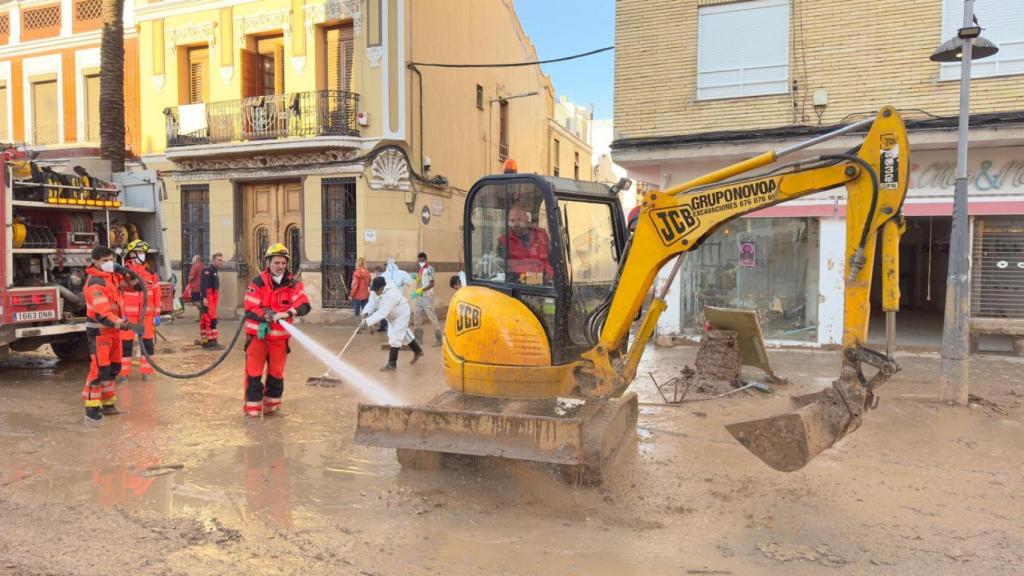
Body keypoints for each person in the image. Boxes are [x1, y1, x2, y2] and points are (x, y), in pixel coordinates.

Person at [242, 243, 311, 417]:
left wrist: (288, 312)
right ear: (268, 263)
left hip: (279, 342)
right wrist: (268, 315)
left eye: (283, 263)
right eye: (276, 263)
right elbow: (250, 308)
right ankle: (252, 414)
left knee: (276, 377)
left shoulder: (293, 284)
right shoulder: (257, 283)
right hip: (257, 338)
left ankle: (272, 411)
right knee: (254, 376)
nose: (280, 266)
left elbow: (304, 305)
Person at [82, 246, 141, 424]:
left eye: (111, 259)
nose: (109, 263)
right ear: (96, 262)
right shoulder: (95, 283)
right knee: (99, 370)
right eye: (105, 261)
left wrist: (127, 273)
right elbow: (102, 313)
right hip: (100, 332)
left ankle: (108, 405)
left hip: (114, 332)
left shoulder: (112, 278)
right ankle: (92, 410)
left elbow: (137, 288)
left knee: (113, 369)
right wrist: (126, 325)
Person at [119, 240, 162, 381]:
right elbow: (118, 294)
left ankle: (146, 373)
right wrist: (120, 314)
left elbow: (157, 294)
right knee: (125, 345)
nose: (143, 255)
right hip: (128, 316)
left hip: (147, 316)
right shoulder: (123, 273)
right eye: (140, 252)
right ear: (132, 254)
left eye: (144, 253)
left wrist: (157, 313)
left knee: (148, 344)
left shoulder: (150, 273)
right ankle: (124, 374)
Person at [361, 276, 423, 371]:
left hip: (401, 313)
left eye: (376, 290)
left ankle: (392, 363)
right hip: (391, 315)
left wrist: (367, 322)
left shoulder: (392, 293)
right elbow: (371, 303)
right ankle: (418, 351)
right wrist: (366, 312)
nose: (374, 292)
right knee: (403, 333)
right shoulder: (375, 291)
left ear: (382, 288)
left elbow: (382, 312)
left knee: (395, 336)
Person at [498, 205, 553, 283]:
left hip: (545, 286)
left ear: (527, 219)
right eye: (512, 221)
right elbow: (502, 270)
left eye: (519, 220)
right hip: (518, 287)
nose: (516, 224)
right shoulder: (503, 241)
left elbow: (554, 261)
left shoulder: (542, 236)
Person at [412, 251, 442, 347]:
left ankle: (439, 339)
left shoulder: (430, 269)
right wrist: (416, 278)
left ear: (426, 260)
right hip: (420, 296)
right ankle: (418, 338)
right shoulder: (421, 270)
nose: (420, 262)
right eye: (419, 260)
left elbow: (431, 284)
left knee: (432, 317)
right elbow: (422, 281)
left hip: (427, 296)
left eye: (422, 260)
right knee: (416, 317)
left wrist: (421, 290)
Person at [198, 253, 223, 348]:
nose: (220, 262)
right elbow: (204, 285)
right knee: (210, 320)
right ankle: (211, 341)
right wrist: (204, 297)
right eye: (218, 260)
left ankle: (206, 340)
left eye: (221, 260)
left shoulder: (214, 270)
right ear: (213, 260)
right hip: (208, 298)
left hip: (212, 298)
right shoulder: (208, 270)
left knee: (206, 320)